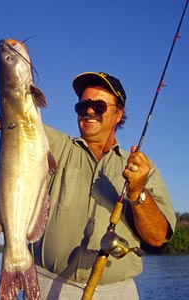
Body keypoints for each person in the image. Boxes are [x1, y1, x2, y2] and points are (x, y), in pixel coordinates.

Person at [32, 71, 176, 300]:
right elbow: (21, 118)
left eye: (99, 106)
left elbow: (158, 237)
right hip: (46, 284)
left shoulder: (142, 168)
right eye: (83, 106)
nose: (89, 111)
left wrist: (138, 192)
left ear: (119, 114)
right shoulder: (57, 147)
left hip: (117, 291)